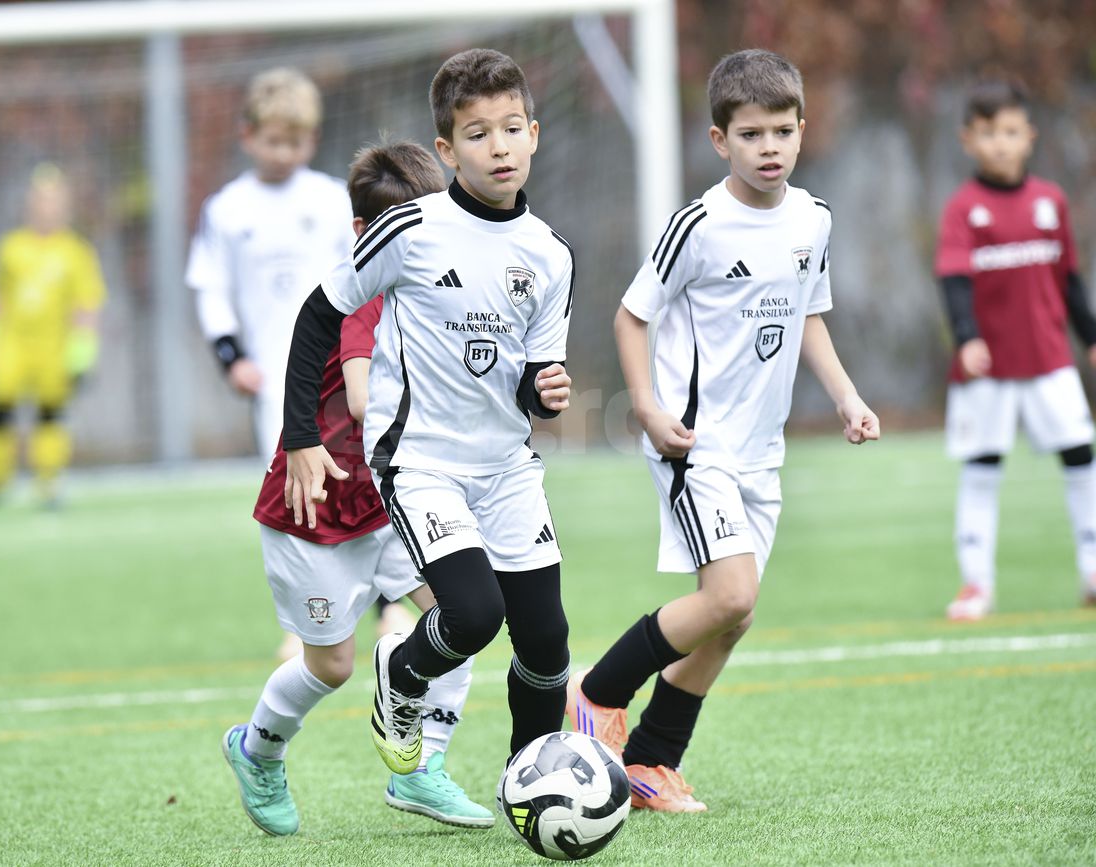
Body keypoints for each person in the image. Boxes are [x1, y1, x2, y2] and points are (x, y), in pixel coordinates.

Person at [565, 49, 880, 813]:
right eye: (750, 134)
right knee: (730, 592)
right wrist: (647, 408)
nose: (769, 147)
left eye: (782, 131)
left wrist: (846, 396)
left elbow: (810, 315)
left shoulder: (814, 219)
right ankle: (596, 692)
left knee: (734, 616)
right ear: (719, 140)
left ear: (802, 130)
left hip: (761, 452)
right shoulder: (699, 225)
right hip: (694, 442)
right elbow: (631, 317)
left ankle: (650, 761)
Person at [281, 49, 575, 777]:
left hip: (506, 465)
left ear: (534, 135)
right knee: (474, 614)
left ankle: (530, 779)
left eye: (512, 128)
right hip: (419, 461)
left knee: (546, 639)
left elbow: (530, 379)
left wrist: (544, 390)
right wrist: (301, 437)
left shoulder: (551, 255)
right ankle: (403, 674)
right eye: (478, 134)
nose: (499, 147)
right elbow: (319, 315)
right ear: (447, 151)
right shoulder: (410, 228)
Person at [221, 140, 492, 837]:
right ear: (361, 233)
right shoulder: (362, 297)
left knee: (462, 618)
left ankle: (420, 768)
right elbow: (369, 400)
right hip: (314, 512)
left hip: (393, 503)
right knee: (332, 665)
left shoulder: (439, 294)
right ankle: (257, 750)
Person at [186, 67, 415, 658]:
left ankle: (389, 605)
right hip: (278, 378)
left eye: (295, 142)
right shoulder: (226, 209)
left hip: (351, 363)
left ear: (312, 140)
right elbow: (210, 287)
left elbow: (370, 271)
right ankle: (307, 618)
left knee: (372, 473)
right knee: (298, 486)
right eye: (273, 141)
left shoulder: (332, 199)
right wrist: (231, 356)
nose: (283, 153)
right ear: (248, 136)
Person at [937, 79, 1096, 620]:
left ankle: (1092, 570)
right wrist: (967, 338)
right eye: (987, 133)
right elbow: (953, 281)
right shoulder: (964, 209)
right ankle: (976, 584)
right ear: (968, 140)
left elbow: (1069, 279)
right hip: (989, 370)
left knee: (1081, 458)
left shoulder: (1051, 201)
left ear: (1029, 136)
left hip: (1050, 360)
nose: (1000, 143)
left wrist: (1091, 337)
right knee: (982, 468)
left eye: (1009, 132)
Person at [0, 163, 106, 509]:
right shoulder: (11, 247)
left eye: (54, 201)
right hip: (11, 344)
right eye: (41, 200)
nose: (47, 208)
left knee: (50, 413)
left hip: (53, 347)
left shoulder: (75, 251)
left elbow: (86, 304)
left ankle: (49, 482)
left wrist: (83, 347)